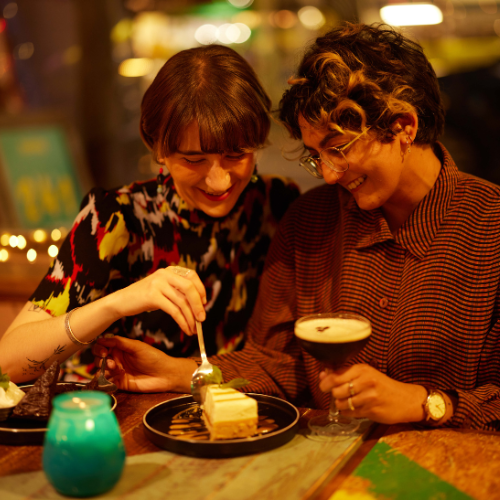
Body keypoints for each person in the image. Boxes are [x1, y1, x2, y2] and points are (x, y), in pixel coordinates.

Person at [94, 23, 500, 431]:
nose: (328, 174)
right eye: (315, 156)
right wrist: (178, 372)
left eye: (338, 149)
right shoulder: (310, 219)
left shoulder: (490, 227)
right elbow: (278, 363)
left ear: (404, 127)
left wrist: (425, 403)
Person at [0, 45, 299, 383]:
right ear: (157, 147)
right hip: (105, 409)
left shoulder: (277, 203)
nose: (220, 181)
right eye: (194, 159)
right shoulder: (115, 217)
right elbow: (6, 362)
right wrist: (118, 302)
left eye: (237, 154)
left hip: (229, 403)